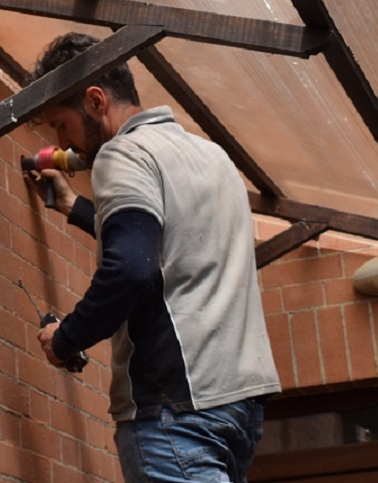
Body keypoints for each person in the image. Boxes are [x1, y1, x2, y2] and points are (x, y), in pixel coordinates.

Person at [26, 32, 281, 483]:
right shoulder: (213, 157)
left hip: (174, 407)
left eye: (61, 124)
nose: (63, 141)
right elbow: (171, 245)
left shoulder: (124, 154)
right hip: (238, 405)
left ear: (96, 100)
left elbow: (132, 268)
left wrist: (67, 338)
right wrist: (78, 209)